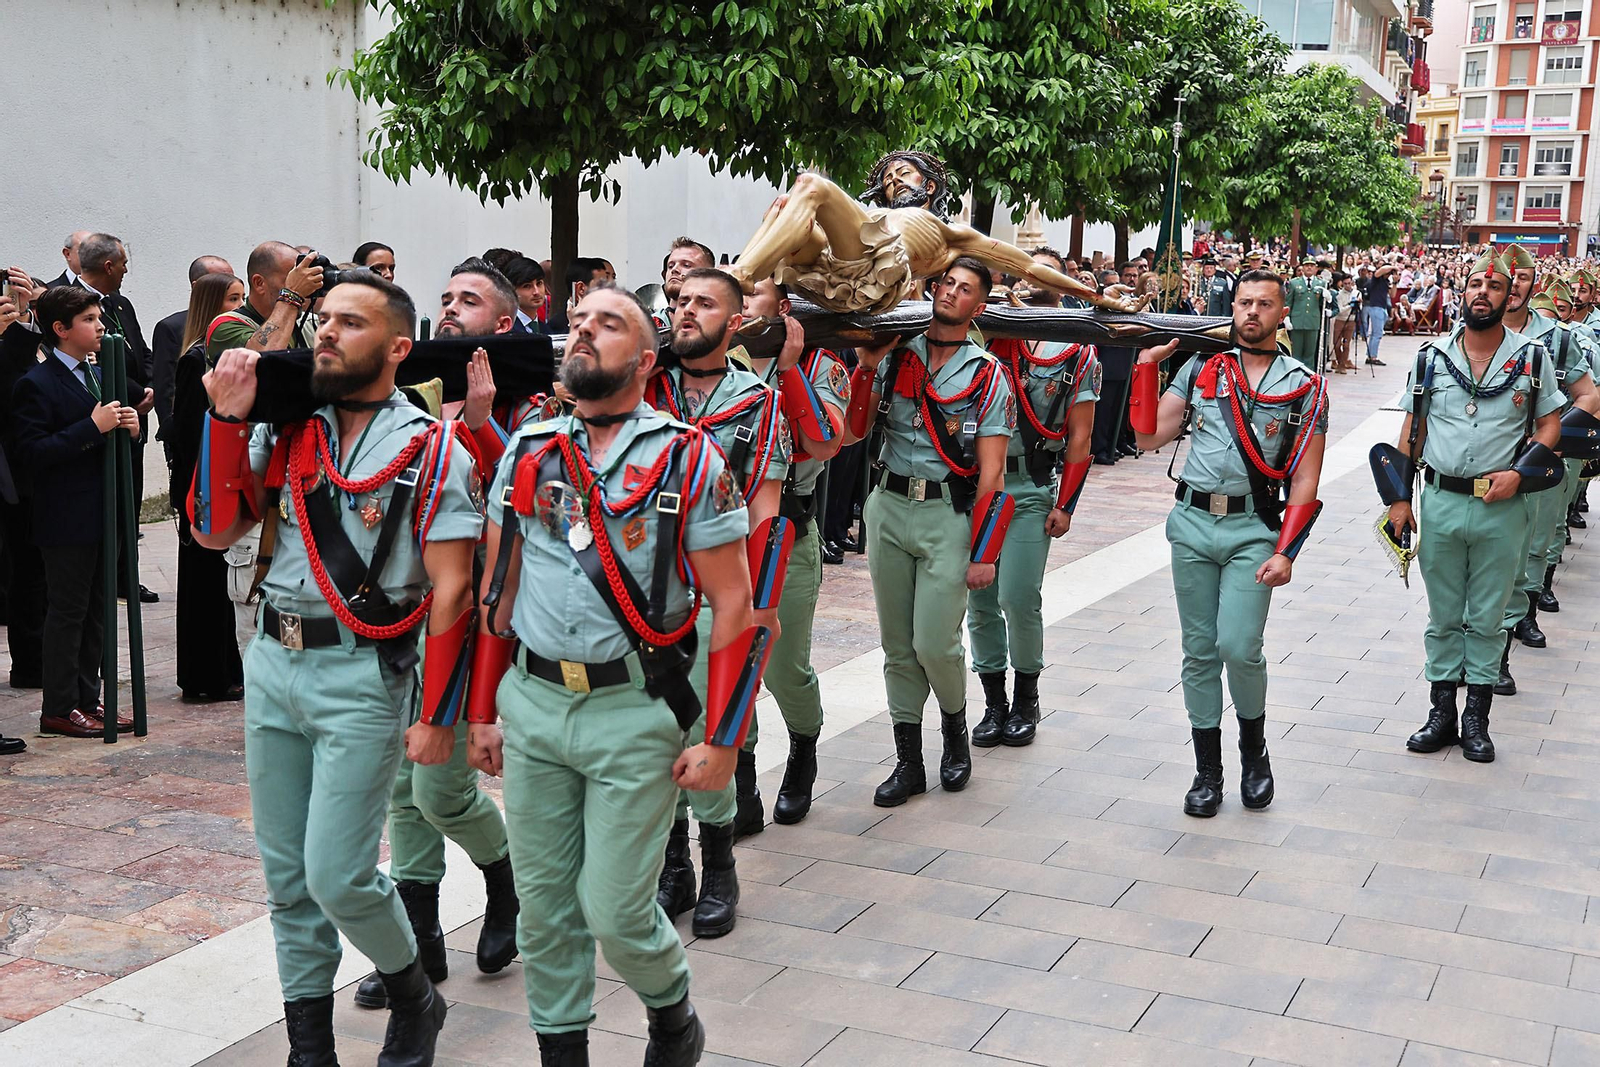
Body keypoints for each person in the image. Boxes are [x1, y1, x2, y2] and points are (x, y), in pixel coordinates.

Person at [464, 283, 763, 1065]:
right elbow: (497, 594)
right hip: (531, 703)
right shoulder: (531, 448)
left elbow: (734, 605)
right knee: (546, 911)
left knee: (616, 909)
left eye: (608, 323)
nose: (582, 334)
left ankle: (672, 1010)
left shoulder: (688, 456)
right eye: (576, 323)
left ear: (647, 355)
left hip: (634, 708)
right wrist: (481, 709)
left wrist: (725, 740)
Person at [190, 273, 481, 1065]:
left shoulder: (431, 447)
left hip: (362, 674)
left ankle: (414, 993)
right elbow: (216, 530)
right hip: (272, 668)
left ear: (396, 348)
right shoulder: (290, 432)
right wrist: (224, 417)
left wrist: (439, 713)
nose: (325, 333)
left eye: (349, 323)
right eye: (323, 320)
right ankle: (309, 1048)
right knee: (287, 876)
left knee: (338, 874)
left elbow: (453, 590)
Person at [343, 260, 522, 1015]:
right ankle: (419, 944)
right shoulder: (403, 398)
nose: (450, 310)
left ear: (504, 325)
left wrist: (481, 426)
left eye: (469, 300)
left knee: (442, 787)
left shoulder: (531, 398)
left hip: (467, 615)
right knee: (399, 789)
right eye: (444, 298)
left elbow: (513, 503)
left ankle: (505, 883)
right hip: (391, 615)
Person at [1130, 269, 1328, 817]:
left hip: (1253, 531)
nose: (1252, 313)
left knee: (1238, 647)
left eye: (1265, 304)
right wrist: (1146, 369)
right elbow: (1148, 436)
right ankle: (1207, 771)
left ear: (1282, 314)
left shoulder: (1304, 385)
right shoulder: (1201, 369)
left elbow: (1306, 480)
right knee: (1198, 650)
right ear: (1231, 307)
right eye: (1244, 302)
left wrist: (1287, 550)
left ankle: (1254, 749)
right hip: (1192, 523)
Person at [839, 257, 1016, 807]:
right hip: (889, 507)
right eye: (946, 283)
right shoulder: (895, 355)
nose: (951, 293)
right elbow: (853, 431)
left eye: (965, 289)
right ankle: (909, 760)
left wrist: (985, 553)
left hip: (947, 515)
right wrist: (867, 366)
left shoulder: (986, 374)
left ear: (978, 307)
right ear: (932, 289)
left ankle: (955, 730)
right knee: (897, 646)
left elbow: (991, 473)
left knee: (934, 642)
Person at [644, 267, 787, 936]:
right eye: (678, 301)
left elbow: (764, 506)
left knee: (706, 731)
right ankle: (675, 865)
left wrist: (755, 602)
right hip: (640, 592)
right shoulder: (645, 388)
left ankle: (720, 864)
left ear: (735, 324)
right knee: (653, 738)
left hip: (711, 592)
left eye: (703, 303)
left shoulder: (757, 401)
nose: (685, 311)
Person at [1388, 251, 1564, 765]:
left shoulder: (1531, 358)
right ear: (1461, 294)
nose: (1482, 292)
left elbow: (1551, 424)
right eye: (1473, 284)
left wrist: (1521, 472)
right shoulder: (1430, 359)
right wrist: (1400, 499)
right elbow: (1410, 434)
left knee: (1487, 617)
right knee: (1443, 615)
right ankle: (1441, 712)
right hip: (1440, 500)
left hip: (1500, 505)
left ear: (1510, 296)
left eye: (1494, 286)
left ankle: (1477, 720)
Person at [728, 153, 1139, 315]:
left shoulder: (951, 231)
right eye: (887, 178)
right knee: (787, 206)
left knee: (811, 184)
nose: (893, 181)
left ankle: (738, 279)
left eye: (903, 173)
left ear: (928, 186)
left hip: (873, 274)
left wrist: (1096, 296)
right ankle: (744, 281)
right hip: (829, 269)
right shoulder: (872, 212)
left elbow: (1028, 266)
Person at [973, 252, 1099, 748]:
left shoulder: (1076, 352)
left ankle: (1026, 695)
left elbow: (1081, 438)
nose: (1029, 279)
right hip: (978, 487)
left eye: (1042, 272)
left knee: (1017, 596)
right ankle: (993, 701)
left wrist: (1065, 503)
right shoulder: (995, 335)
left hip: (1028, 487)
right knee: (979, 600)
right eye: (1023, 271)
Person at [740, 278, 848, 824]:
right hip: (720, 543)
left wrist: (786, 368)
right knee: (731, 668)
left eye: (749, 296)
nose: (738, 307)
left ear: (782, 309)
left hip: (785, 534)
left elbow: (826, 438)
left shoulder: (820, 366)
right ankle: (740, 787)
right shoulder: (714, 365)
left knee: (784, 669)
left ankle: (803, 747)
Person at [12, 286, 141, 738]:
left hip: (105, 508)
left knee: (98, 610)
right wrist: (90, 427)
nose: (100, 326)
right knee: (68, 610)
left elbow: (117, 431)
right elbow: (32, 453)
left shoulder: (101, 371)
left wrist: (131, 429)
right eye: (89, 319)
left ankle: (89, 698)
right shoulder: (36, 382)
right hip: (66, 515)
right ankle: (59, 706)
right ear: (61, 330)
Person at [205, 243, 327, 653]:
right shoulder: (227, 324)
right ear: (259, 282)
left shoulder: (303, 323)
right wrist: (291, 299)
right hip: (254, 481)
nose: (300, 286)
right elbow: (256, 365)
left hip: (303, 480)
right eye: (289, 278)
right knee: (258, 625)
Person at [1497, 266, 1598, 683]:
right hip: (1486, 467)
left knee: (1536, 543)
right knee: (1488, 564)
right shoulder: (1461, 340)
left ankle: (1522, 616)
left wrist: (1554, 441)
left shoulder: (1562, 340)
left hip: (1540, 460)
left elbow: (1589, 394)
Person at [167, 273, 248, 703]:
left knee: (224, 586)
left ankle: (226, 670)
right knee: (204, 587)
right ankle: (205, 677)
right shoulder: (197, 358)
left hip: (223, 479)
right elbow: (187, 433)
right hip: (203, 485)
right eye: (230, 299)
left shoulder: (230, 355)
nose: (238, 307)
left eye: (241, 298)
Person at [73, 234, 160, 604]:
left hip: (134, 416)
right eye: (123, 263)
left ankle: (127, 575)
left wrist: (151, 387)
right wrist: (135, 394)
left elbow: (140, 350)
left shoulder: (121, 303)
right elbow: (90, 360)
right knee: (105, 500)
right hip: (102, 415)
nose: (126, 270)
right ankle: (104, 576)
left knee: (131, 497)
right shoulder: (63, 296)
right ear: (109, 265)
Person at [1, 267, 46, 698]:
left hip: (24, 473)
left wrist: (26, 318)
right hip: (14, 471)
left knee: (31, 570)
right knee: (24, 574)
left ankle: (33, 662)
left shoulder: (23, 338)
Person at [152, 255, 235, 439]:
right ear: (198, 288)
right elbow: (166, 388)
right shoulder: (172, 328)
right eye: (220, 281)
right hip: (190, 431)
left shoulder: (239, 326)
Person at [1285, 257, 1330, 369]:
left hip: (1313, 322)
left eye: (1312, 265)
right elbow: (1288, 302)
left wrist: (1328, 298)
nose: (1309, 267)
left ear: (1316, 268)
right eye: (1306, 265)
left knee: (1310, 354)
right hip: (1297, 322)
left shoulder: (1321, 283)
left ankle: (1310, 379)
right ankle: (1296, 377)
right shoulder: (1294, 283)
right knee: (1296, 354)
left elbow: (1323, 304)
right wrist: (1287, 317)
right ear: (1302, 268)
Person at [1360, 260, 1398, 366]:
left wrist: (1395, 282)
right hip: (1376, 307)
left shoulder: (1386, 282)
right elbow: (1381, 270)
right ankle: (1373, 357)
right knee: (1377, 334)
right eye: (1389, 272)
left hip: (1382, 307)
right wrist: (1394, 267)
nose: (1389, 274)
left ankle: (1370, 355)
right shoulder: (1376, 278)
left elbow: (1393, 295)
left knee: (1375, 334)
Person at [662, 236, 716, 309]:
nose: (674, 269)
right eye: (671, 266)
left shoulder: (722, 319)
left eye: (686, 265)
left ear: (709, 276)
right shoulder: (648, 320)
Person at [500, 254, 549, 334]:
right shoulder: (505, 329)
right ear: (511, 290)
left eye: (539, 283)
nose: (536, 292)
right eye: (527, 286)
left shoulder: (547, 329)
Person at [1331, 273, 1360, 373]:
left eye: (1349, 283)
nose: (1348, 285)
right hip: (1340, 319)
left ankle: (1342, 365)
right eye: (1345, 283)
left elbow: (1360, 308)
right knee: (1337, 343)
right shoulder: (1339, 294)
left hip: (1351, 320)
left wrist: (1358, 304)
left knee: (1346, 344)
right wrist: (1350, 305)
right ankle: (1339, 362)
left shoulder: (1357, 293)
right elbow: (1340, 309)